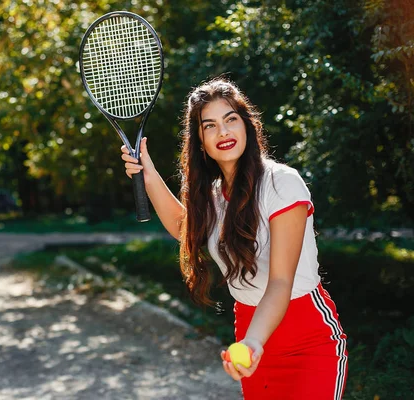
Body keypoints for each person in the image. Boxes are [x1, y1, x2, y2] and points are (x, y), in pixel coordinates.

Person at [121, 77, 348, 399]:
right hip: (250, 335)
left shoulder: (282, 184)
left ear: (247, 126)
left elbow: (281, 282)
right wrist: (149, 174)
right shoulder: (213, 196)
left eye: (230, 120)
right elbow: (186, 229)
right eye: (210, 126)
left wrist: (254, 341)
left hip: (307, 341)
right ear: (200, 141)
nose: (223, 132)